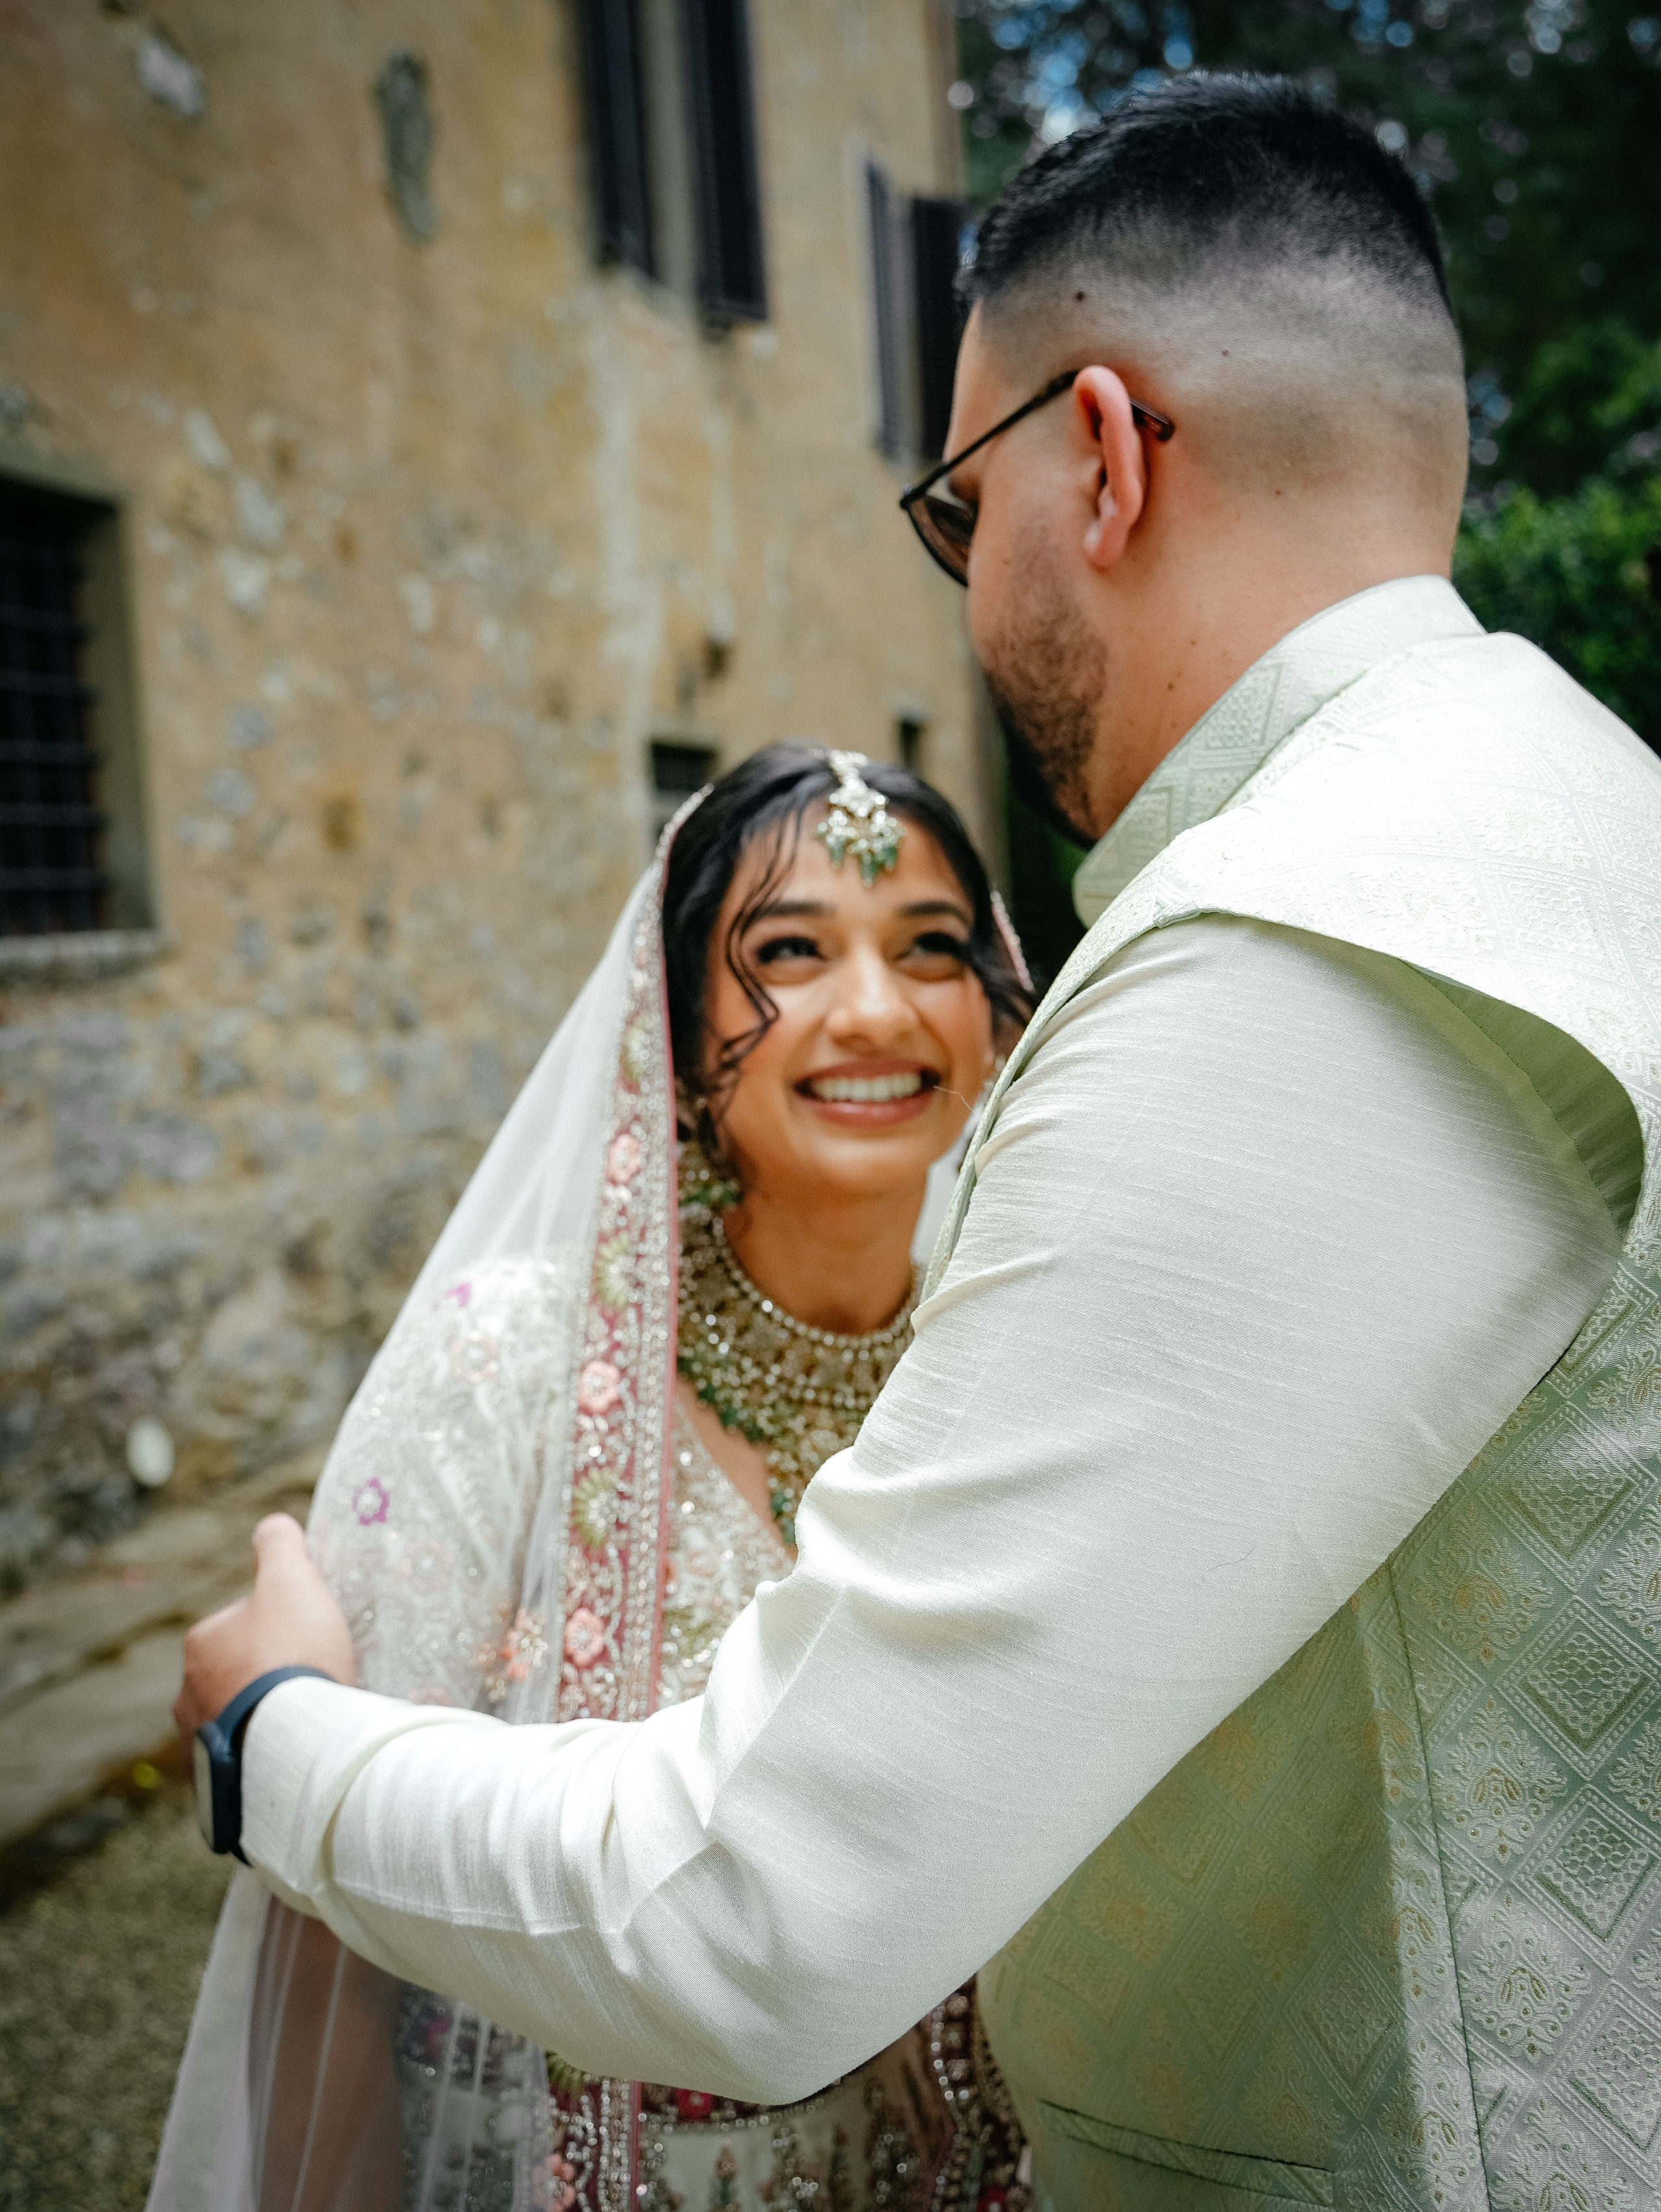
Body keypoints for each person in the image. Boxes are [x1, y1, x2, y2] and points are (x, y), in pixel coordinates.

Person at [174, 73, 1661, 2211]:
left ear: (1104, 458)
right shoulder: (1588, 825)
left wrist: (277, 1740)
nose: (870, 1014)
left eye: (963, 514)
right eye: (785, 954)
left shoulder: (1298, 948)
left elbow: (762, 1907)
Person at [151, 744, 1032, 2212]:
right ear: (672, 1031)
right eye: (789, 951)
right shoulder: (506, 1366)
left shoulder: (1016, 1371)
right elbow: (334, 1917)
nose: (877, 1009)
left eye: (930, 947)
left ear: (995, 1018)